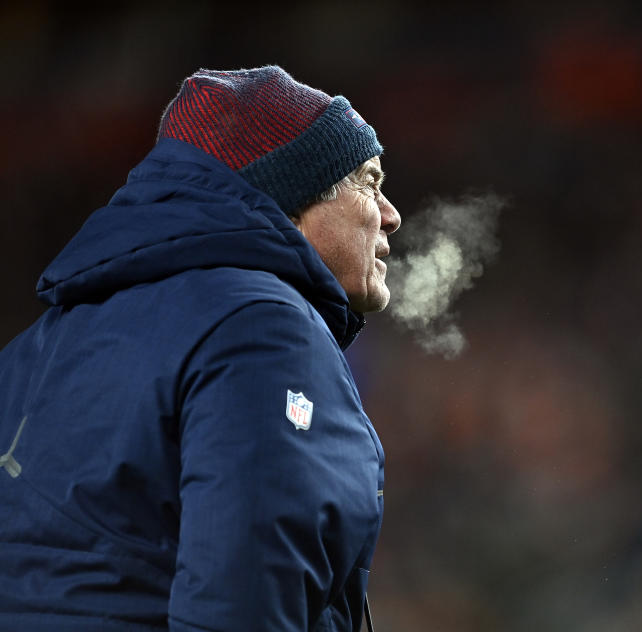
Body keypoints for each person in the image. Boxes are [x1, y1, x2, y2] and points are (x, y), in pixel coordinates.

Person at [0, 66, 400, 631]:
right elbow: (246, 604)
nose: (391, 215)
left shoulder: (41, 341)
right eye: (369, 181)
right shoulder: (264, 328)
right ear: (293, 193)